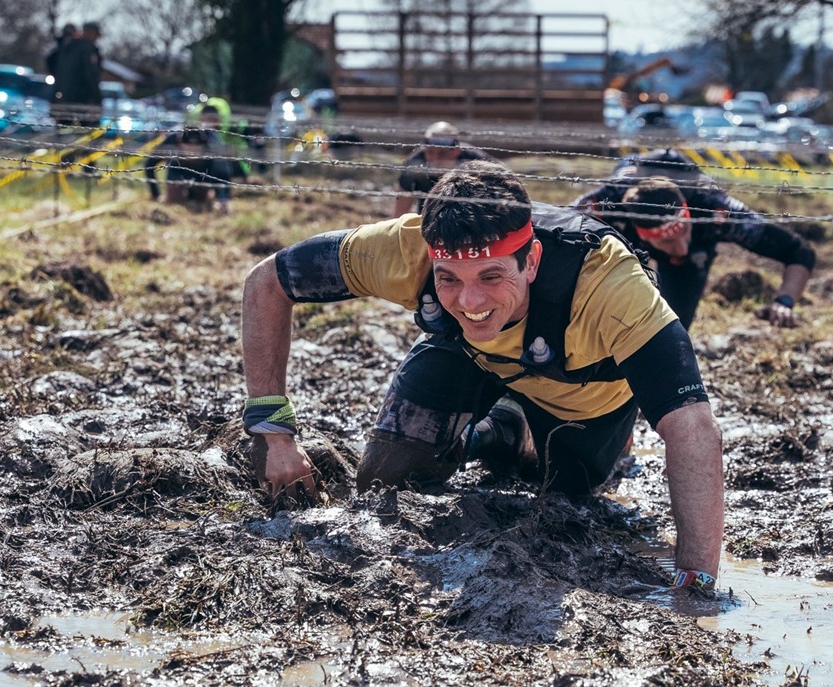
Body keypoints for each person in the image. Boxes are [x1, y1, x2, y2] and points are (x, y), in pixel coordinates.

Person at [241, 161, 725, 595]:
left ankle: (509, 429)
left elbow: (692, 428)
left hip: (583, 396)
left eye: (491, 277)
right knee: (383, 485)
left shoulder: (608, 283)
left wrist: (695, 581)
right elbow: (267, 281)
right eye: (448, 278)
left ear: (531, 260)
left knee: (563, 495)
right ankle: (493, 426)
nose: (471, 301)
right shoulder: (404, 248)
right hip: (466, 356)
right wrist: (273, 432)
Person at [571, 149, 816, 330]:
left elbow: (799, 251)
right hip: (624, 231)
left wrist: (784, 301)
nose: (680, 247)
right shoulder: (607, 204)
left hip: (697, 236)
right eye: (668, 242)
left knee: (674, 327)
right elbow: (555, 229)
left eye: (682, 232)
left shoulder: (714, 209)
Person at [392, 121, 499, 217]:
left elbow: (501, 185)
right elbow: (402, 203)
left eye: (442, 153)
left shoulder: (475, 161)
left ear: (456, 151)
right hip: (427, 219)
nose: (435, 159)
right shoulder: (415, 163)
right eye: (430, 152)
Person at [144, 105, 234, 213]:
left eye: (197, 145)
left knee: (202, 201)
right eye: (188, 145)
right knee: (174, 199)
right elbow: (149, 164)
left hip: (203, 175)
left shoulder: (213, 143)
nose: (192, 149)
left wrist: (223, 199)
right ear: (179, 142)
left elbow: (223, 173)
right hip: (177, 172)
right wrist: (155, 194)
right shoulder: (171, 140)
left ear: (204, 144)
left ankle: (202, 197)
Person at [51, 21, 103, 128]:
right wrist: (97, 100)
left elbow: (52, 62)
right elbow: (90, 76)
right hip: (82, 102)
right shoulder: (86, 49)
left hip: (63, 101)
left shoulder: (67, 46)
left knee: (63, 131)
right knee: (84, 133)